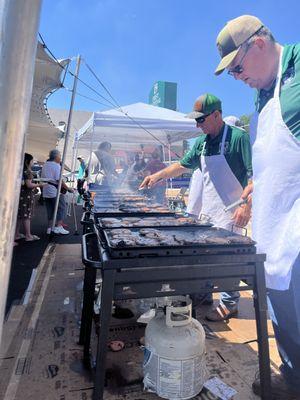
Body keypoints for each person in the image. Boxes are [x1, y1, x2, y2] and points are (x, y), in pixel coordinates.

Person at [215, 15, 300, 399]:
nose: (237, 76)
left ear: (259, 44)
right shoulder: (262, 95)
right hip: (272, 229)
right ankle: (293, 379)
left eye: (236, 67)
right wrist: (255, 185)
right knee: (284, 315)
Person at [141, 93, 253, 321]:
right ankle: (204, 294)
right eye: (196, 120)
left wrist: (247, 207)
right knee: (203, 256)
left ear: (217, 115)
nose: (197, 124)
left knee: (227, 260)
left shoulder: (239, 138)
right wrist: (156, 176)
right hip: (208, 211)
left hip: (231, 211)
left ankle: (229, 302)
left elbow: (254, 177)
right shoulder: (201, 143)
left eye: (201, 120)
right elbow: (181, 166)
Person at [15, 153, 47, 242]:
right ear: (27, 161)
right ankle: (28, 235)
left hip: (21, 196)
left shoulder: (21, 170)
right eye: (32, 160)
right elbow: (29, 185)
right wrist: (40, 184)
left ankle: (16, 234)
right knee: (26, 216)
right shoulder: (27, 172)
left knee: (20, 216)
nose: (33, 162)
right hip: (26, 196)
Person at [41, 149, 73, 235]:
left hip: (46, 190)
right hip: (54, 191)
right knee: (61, 207)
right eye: (60, 156)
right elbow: (59, 180)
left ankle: (49, 228)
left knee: (50, 210)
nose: (60, 158)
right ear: (56, 157)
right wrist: (68, 188)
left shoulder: (45, 165)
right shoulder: (56, 166)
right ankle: (59, 226)